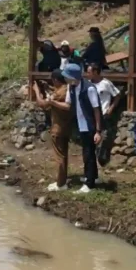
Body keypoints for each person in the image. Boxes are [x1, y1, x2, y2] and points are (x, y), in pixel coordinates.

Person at [47, 63, 103, 194]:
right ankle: (93, 177)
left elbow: (96, 110)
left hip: (91, 125)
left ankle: (89, 185)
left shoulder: (89, 89)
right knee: (88, 152)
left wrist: (98, 131)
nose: (65, 79)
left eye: (67, 77)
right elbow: (67, 105)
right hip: (81, 125)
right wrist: (53, 102)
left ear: (73, 77)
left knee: (88, 154)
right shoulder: (71, 88)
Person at [33, 69, 72, 191]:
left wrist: (37, 91)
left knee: (59, 156)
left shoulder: (59, 93)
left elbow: (43, 104)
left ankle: (60, 184)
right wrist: (47, 87)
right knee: (64, 155)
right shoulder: (66, 89)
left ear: (55, 80)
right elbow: (56, 94)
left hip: (57, 129)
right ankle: (63, 180)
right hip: (66, 128)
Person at [87, 63, 121, 166]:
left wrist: (111, 108)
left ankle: (101, 159)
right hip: (91, 115)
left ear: (96, 72)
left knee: (103, 138)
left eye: (89, 72)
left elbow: (117, 95)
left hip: (103, 115)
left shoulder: (106, 83)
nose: (87, 74)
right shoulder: (88, 84)